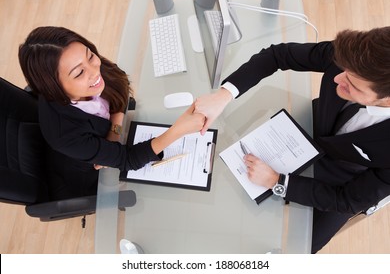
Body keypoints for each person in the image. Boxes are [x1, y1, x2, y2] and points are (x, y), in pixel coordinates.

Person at [194, 27, 390, 253]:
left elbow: (348, 200)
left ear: (386, 100)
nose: (337, 77)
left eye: (351, 84)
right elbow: (279, 55)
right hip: (312, 125)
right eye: (343, 71)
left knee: (299, 249)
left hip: (343, 179)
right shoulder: (353, 58)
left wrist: (278, 182)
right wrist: (224, 95)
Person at [18, 26, 205, 200]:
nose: (95, 71)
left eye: (90, 56)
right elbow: (128, 159)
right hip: (91, 176)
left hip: (109, 143)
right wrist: (178, 130)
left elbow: (119, 81)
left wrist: (114, 132)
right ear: (54, 87)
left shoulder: (91, 69)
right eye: (78, 73)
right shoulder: (64, 133)